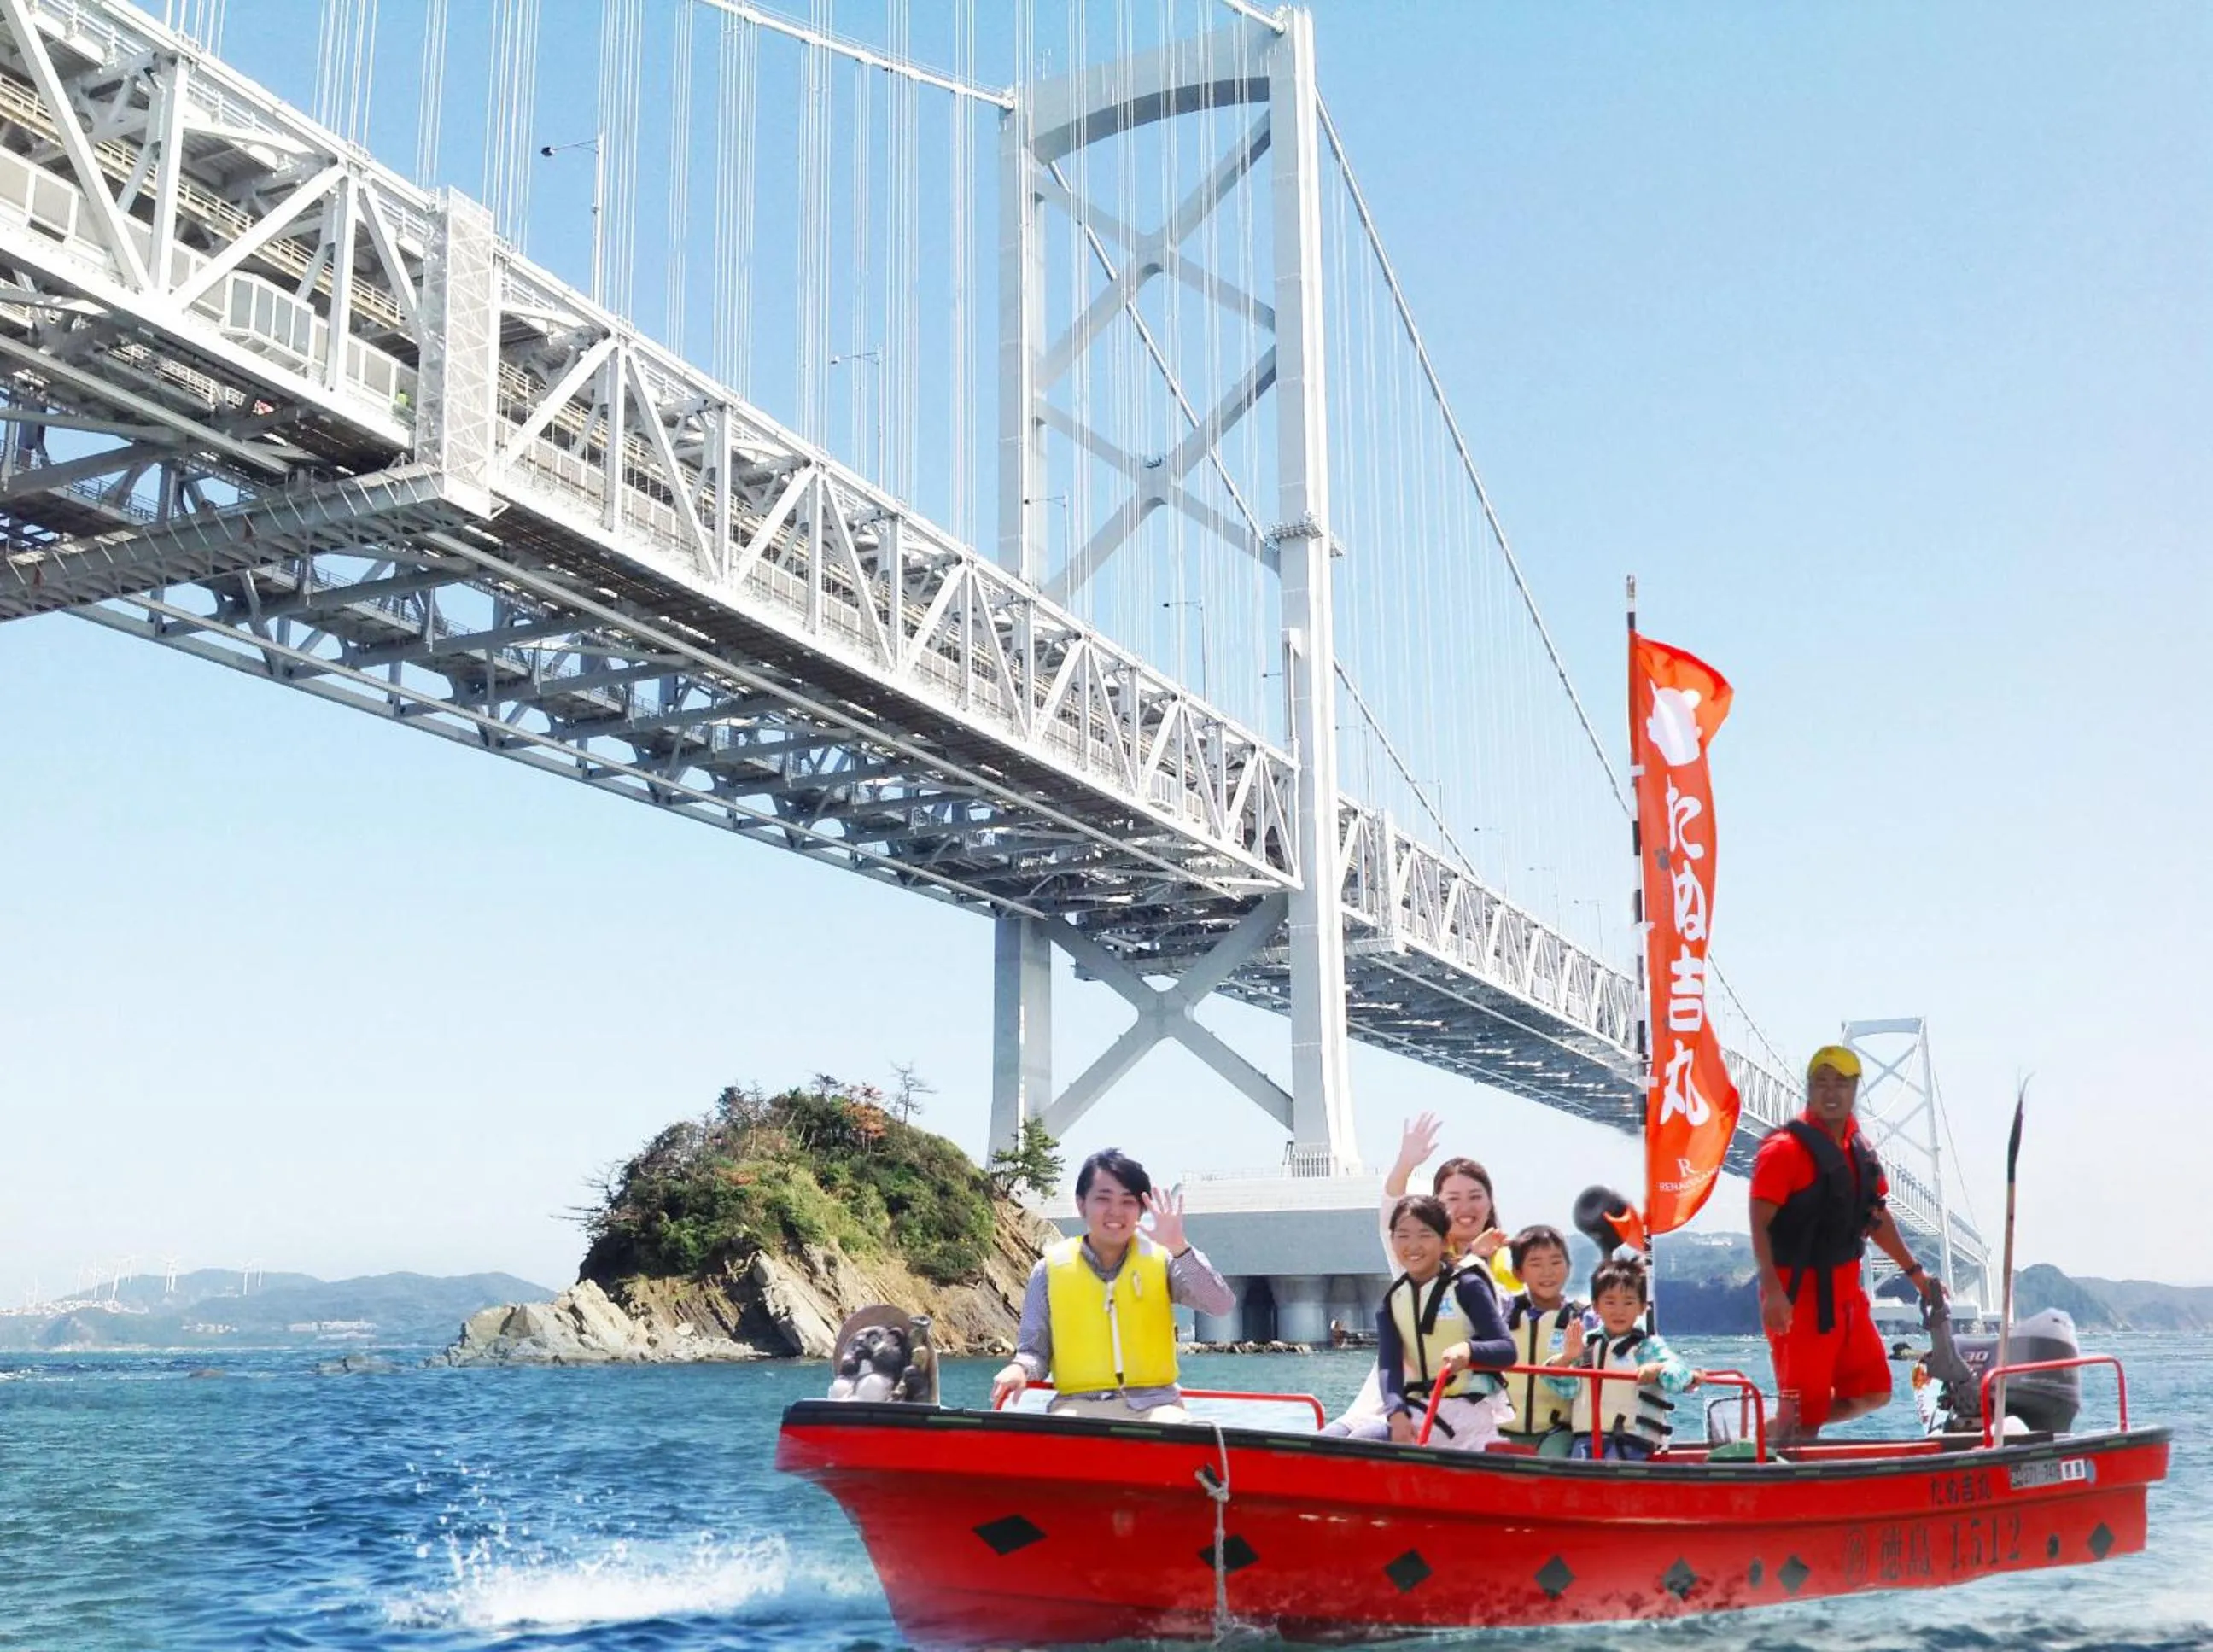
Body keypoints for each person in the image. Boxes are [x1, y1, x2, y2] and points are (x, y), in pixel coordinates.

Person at [1749, 1045, 1941, 1448]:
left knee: (1874, 1390)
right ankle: (1777, 1453)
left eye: (1840, 1083)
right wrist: (1773, 1292)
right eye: (1821, 1083)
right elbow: (1759, 1220)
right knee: (1804, 1416)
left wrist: (1916, 1274)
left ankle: (1769, 1437)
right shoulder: (1785, 1150)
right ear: (1809, 1089)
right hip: (1799, 1300)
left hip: (1848, 1297)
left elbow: (1876, 1218)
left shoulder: (1861, 1150)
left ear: (1855, 1089)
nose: (1830, 1092)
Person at [990, 1147, 1234, 1423]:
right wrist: (1019, 1369)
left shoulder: (1162, 1260)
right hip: (1078, 1403)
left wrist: (1180, 1248)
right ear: (1082, 1204)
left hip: (1156, 1404)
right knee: (1064, 1436)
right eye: (1103, 1199)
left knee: (1174, 1431)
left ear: (1141, 1209)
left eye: (1128, 1201)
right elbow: (1034, 1352)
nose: (1115, 1212)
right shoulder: (1048, 1270)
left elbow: (1220, 1304)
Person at [1323, 1116, 1521, 1436]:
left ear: (1489, 1202)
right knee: (1324, 1444)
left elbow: (1505, 1339)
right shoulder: (1415, 1266)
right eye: (1452, 1199)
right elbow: (1391, 1214)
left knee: (1361, 1445)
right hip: (1387, 1402)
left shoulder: (1504, 1268)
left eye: (1474, 1196)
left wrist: (1476, 1257)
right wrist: (1405, 1164)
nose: (1464, 1208)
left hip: (1456, 1408)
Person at [1367, 1195, 1516, 1450]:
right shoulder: (1392, 1301)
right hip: (1417, 1408)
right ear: (1391, 1241)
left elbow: (1507, 1350)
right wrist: (1396, 1412)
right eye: (1403, 1235)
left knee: (1364, 1441)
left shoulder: (1468, 1286)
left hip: (1465, 1407)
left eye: (1424, 1234)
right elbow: (1389, 1367)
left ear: (1445, 1241)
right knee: (1345, 1441)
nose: (1413, 1245)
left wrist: (1468, 1351)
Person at [1544, 1257, 1698, 1459]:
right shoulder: (1587, 1345)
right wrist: (1567, 1358)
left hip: (1631, 1440)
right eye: (1610, 1302)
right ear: (1596, 1307)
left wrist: (1659, 1369)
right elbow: (1566, 1389)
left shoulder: (1647, 1347)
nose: (1619, 1310)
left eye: (1628, 1302)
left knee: (1611, 1472)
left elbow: (1679, 1374)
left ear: (1642, 1307)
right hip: (1586, 1438)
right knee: (1578, 1478)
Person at [1497, 1224, 1597, 1451]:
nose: (1547, 1272)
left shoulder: (1585, 1318)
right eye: (1536, 1264)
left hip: (1556, 1431)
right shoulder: (1502, 1310)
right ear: (1518, 1272)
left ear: (1568, 1267)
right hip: (1499, 1428)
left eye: (1555, 1262)